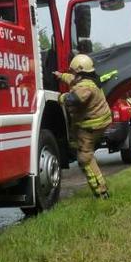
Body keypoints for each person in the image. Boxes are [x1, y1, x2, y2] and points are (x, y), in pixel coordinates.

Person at [54, 54, 112, 198]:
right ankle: (101, 189)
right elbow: (72, 79)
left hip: (92, 126)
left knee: (84, 158)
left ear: (80, 71)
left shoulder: (86, 87)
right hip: (98, 123)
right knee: (84, 151)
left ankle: (101, 191)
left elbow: (74, 98)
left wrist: (60, 98)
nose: (72, 74)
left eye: (73, 71)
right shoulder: (88, 78)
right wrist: (60, 75)